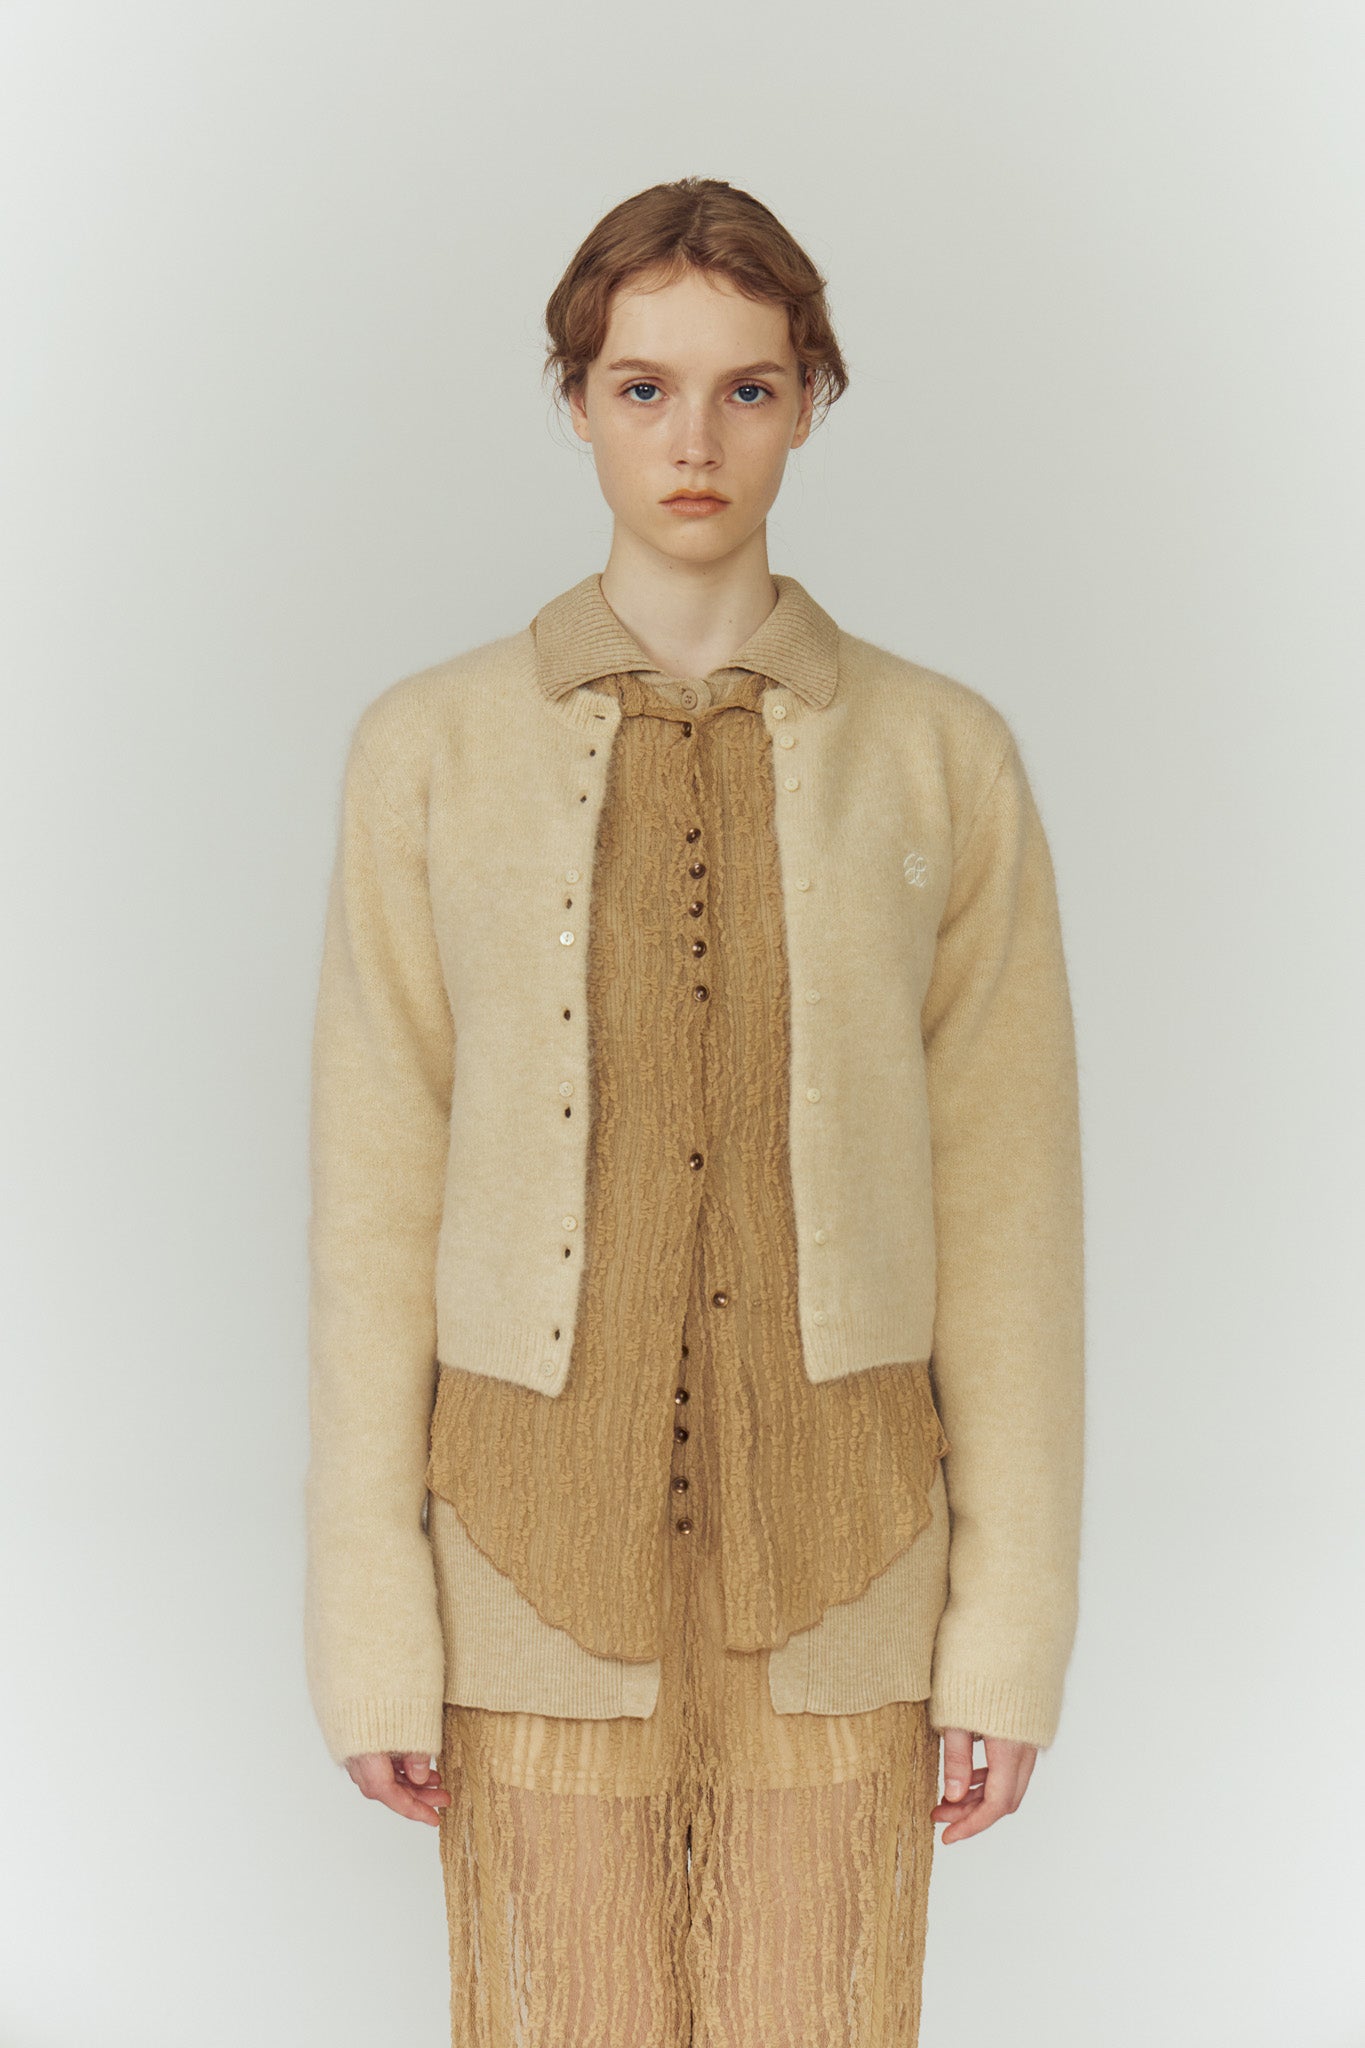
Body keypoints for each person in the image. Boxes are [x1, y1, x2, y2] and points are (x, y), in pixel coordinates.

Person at [304, 176, 1085, 2047]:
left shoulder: (939, 753)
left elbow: (1011, 1220)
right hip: (521, 1562)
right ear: (574, 401)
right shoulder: (428, 749)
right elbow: (369, 1207)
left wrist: (1005, 1636)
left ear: (810, 401)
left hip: (850, 1569)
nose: (693, 442)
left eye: (747, 389)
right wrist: (372, 1629)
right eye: (642, 388)